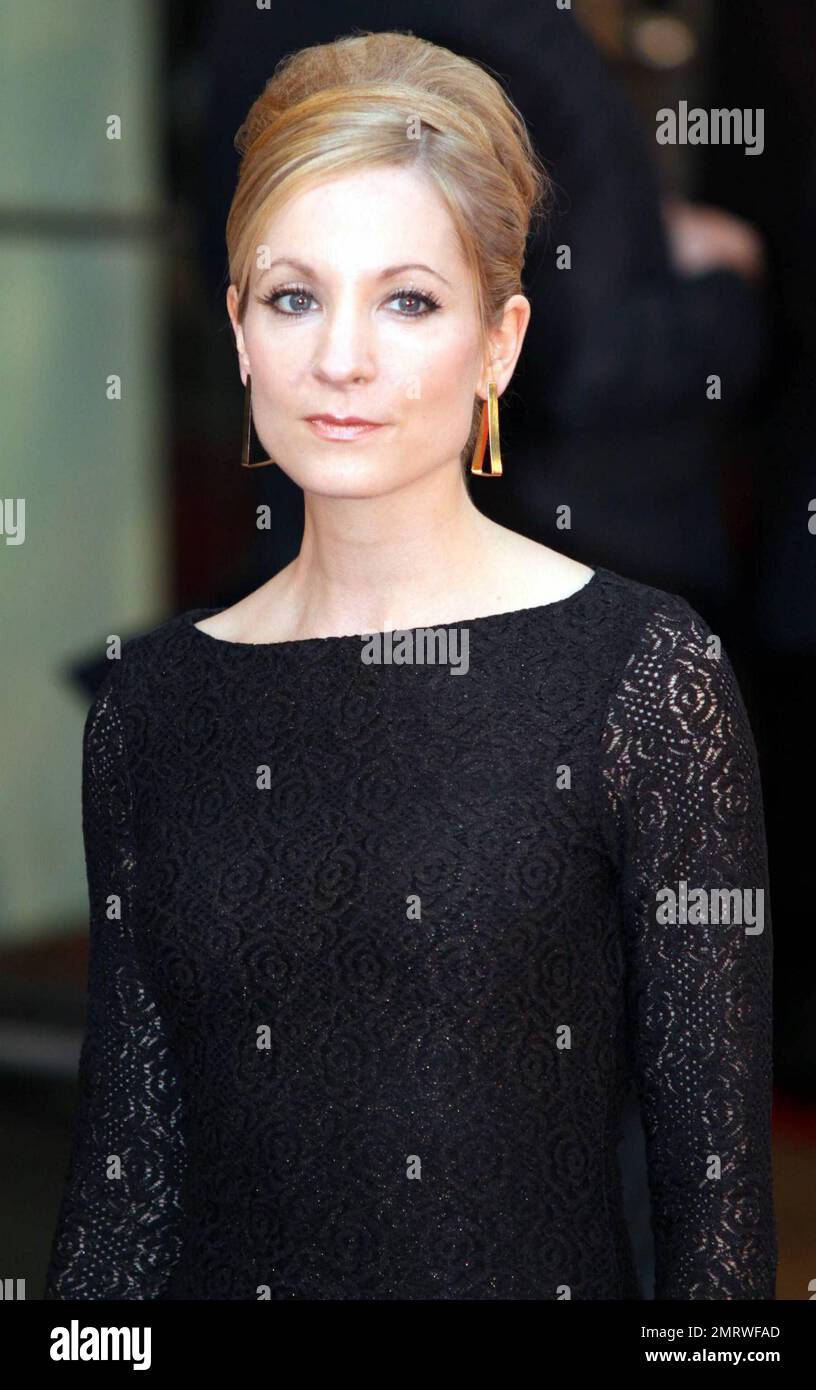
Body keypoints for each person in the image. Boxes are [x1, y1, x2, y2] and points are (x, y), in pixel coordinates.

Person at [44, 30, 776, 1300]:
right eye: (292, 296)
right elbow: (126, 1176)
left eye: (407, 299)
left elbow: (711, 1211)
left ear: (498, 342)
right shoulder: (151, 709)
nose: (340, 359)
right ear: (236, 328)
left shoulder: (642, 679)